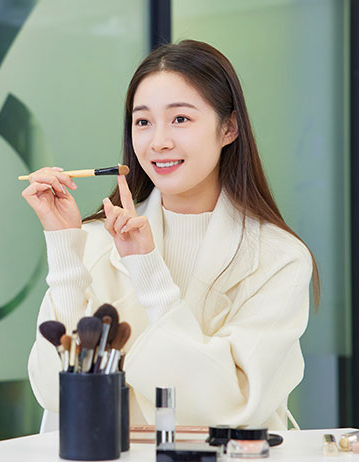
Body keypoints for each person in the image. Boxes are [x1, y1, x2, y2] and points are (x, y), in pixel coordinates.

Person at [22, 40, 319, 430]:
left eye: (180, 119)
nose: (158, 141)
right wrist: (64, 245)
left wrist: (149, 272)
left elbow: (232, 405)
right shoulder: (93, 242)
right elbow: (56, 393)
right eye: (143, 122)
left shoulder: (279, 258)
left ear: (229, 127)